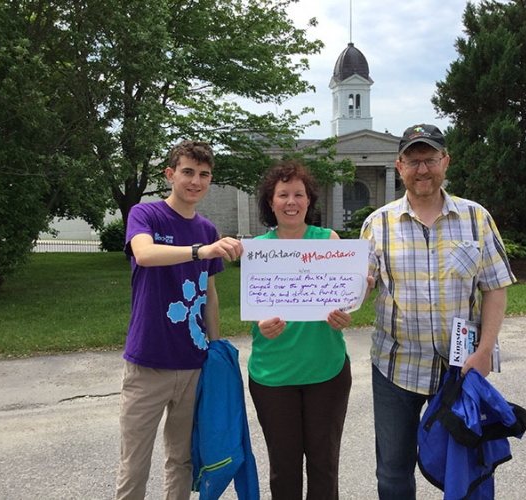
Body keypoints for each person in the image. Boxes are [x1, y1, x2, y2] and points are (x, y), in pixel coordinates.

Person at [359, 124, 517, 499]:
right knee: (394, 471)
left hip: (461, 369)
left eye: (430, 159)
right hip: (395, 367)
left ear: (445, 161)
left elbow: (495, 287)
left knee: (464, 463)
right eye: (413, 161)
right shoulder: (377, 224)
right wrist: (352, 291)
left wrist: (485, 351)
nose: (423, 169)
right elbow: (360, 290)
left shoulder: (476, 218)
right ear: (399, 167)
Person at [115, 140, 243, 500]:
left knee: (182, 461)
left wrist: (215, 346)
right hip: (148, 362)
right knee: (134, 465)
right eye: (187, 172)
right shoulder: (147, 215)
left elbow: (210, 293)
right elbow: (143, 253)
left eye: (204, 175)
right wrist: (199, 251)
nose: (195, 181)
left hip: (193, 364)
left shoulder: (207, 229)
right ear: (170, 174)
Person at [248, 160, 353, 500]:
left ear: (309, 200)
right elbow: (255, 313)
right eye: (283, 195)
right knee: (284, 469)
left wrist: (347, 312)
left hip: (326, 370)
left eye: (298, 194)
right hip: (273, 375)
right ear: (271, 202)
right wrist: (261, 325)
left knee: (324, 466)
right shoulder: (259, 249)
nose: (291, 201)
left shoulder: (329, 240)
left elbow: (345, 301)